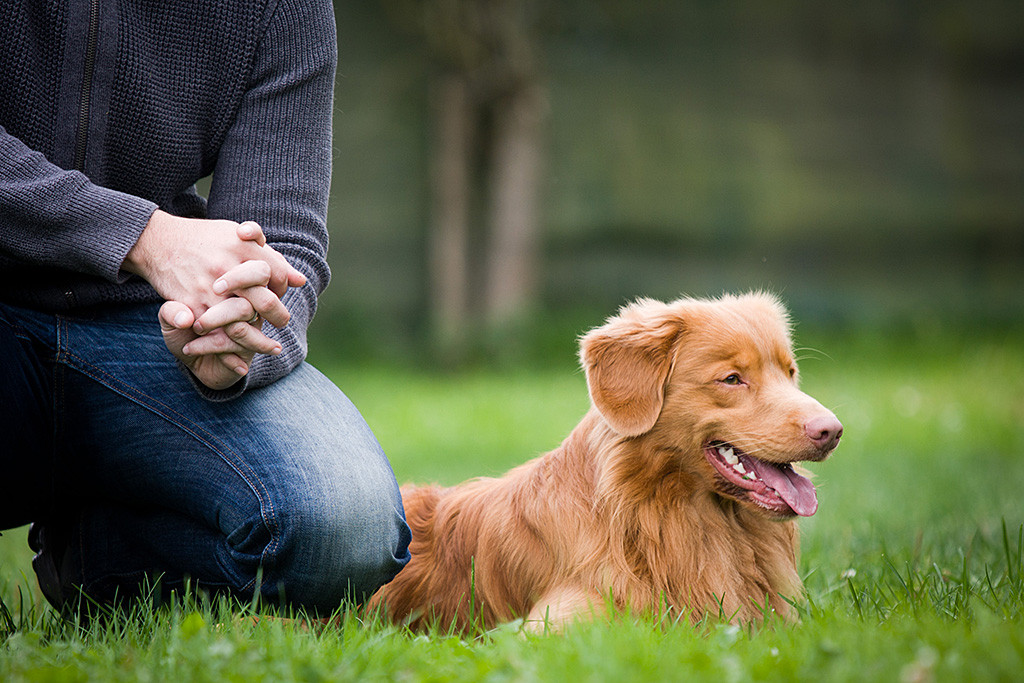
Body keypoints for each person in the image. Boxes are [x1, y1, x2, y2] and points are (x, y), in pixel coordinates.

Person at [0, 0, 411, 615]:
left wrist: (238, 336)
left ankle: (101, 554)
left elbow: (283, 239)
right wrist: (144, 237)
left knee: (345, 525)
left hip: (153, 326)